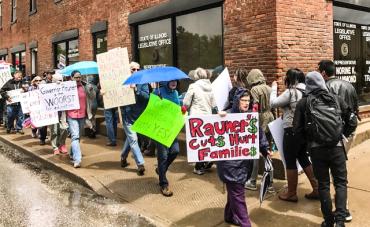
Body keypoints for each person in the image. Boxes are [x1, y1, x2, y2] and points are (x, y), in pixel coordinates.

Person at [293, 71, 351, 227]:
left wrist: (308, 142)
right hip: (337, 147)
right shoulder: (336, 99)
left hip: (316, 150)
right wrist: (341, 134)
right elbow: (351, 120)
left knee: (323, 184)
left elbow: (297, 130)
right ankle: (340, 221)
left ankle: (329, 221)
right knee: (340, 183)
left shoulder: (304, 103)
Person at [217, 88, 270, 227]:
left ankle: (229, 216)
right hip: (229, 164)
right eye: (243, 100)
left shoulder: (250, 117)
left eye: (248, 100)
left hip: (244, 162)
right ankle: (245, 223)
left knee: (234, 191)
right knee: (238, 194)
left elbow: (258, 134)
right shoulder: (226, 115)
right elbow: (212, 128)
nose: (246, 103)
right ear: (236, 101)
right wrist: (218, 117)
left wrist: (265, 149)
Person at [270, 68, 319, 202]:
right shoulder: (309, 92)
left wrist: (273, 89)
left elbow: (272, 104)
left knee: (290, 161)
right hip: (305, 131)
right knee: (303, 158)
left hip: (292, 131)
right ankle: (317, 188)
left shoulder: (292, 92)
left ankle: (291, 193)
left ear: (292, 79)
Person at [318, 60, 357, 222]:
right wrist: (346, 133)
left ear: (324, 73)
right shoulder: (349, 85)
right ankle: (343, 208)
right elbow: (353, 111)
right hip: (347, 133)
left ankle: (341, 209)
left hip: (330, 136)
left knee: (334, 174)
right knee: (340, 170)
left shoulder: (324, 88)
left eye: (319, 70)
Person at [182, 67, 218, 175]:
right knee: (206, 140)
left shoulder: (193, 86)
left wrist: (184, 107)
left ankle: (199, 167)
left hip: (196, 118)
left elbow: (186, 103)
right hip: (208, 117)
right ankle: (208, 159)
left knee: (198, 142)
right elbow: (214, 104)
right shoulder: (211, 87)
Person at [244, 69, 275, 191]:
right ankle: (270, 184)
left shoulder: (254, 90)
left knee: (255, 151)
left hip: (260, 120)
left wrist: (251, 118)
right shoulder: (268, 88)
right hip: (270, 119)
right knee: (267, 152)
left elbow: (255, 106)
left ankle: (252, 181)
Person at [120, 62, 149, 176]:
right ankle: (140, 164)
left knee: (131, 140)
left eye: (138, 69)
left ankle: (123, 157)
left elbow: (146, 97)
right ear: (129, 71)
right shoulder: (124, 81)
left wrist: (136, 89)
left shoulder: (143, 81)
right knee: (133, 140)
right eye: (133, 69)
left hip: (139, 116)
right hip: (128, 115)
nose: (136, 71)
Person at [153, 80, 181, 196]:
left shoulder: (175, 93)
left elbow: (177, 108)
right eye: (171, 81)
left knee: (175, 151)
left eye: (175, 81)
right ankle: (163, 184)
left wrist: (182, 110)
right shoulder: (157, 92)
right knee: (163, 156)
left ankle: (161, 170)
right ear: (167, 82)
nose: (174, 83)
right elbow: (151, 110)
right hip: (160, 128)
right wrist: (158, 103)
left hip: (171, 128)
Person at [67, 70, 94, 168]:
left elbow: (92, 97)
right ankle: (77, 159)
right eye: (76, 77)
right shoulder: (67, 87)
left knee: (78, 136)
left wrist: (91, 90)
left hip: (82, 115)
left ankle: (72, 153)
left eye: (79, 77)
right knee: (75, 136)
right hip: (71, 115)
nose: (78, 79)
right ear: (72, 78)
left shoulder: (85, 87)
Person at [50, 73, 68, 155]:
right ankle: (55, 147)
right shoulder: (48, 89)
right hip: (52, 112)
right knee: (54, 130)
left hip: (62, 111)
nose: (59, 82)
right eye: (57, 81)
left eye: (60, 80)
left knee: (64, 128)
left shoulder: (66, 88)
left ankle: (62, 144)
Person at [28, 76, 48, 145]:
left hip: (43, 109)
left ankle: (42, 138)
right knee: (35, 123)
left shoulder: (45, 87)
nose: (38, 82)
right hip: (34, 109)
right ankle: (34, 131)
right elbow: (28, 99)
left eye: (40, 80)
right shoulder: (31, 88)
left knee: (43, 125)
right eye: (36, 80)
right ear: (34, 81)